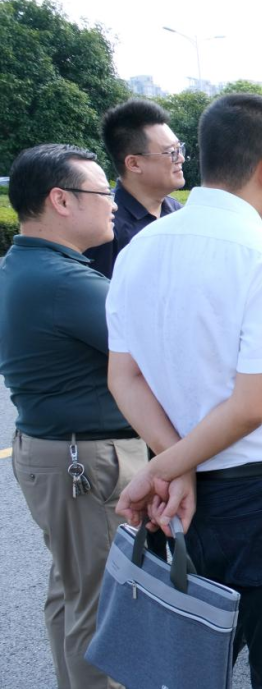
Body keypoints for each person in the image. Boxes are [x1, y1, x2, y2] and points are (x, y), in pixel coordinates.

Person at [108, 94, 262, 687]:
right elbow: (250, 407)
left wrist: (172, 464)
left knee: (191, 667)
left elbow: (123, 376)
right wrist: (166, 471)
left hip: (187, 502)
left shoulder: (138, 249)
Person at [0, 144, 149, 689]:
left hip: (53, 452)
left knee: (74, 594)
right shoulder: (66, 283)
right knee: (104, 609)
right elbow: (153, 351)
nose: (112, 204)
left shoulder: (25, 264)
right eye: (101, 193)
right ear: (60, 200)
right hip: (85, 458)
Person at [83, 98, 185, 277]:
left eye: (180, 149)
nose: (181, 159)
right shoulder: (106, 226)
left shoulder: (177, 212)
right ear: (134, 164)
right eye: (171, 152)